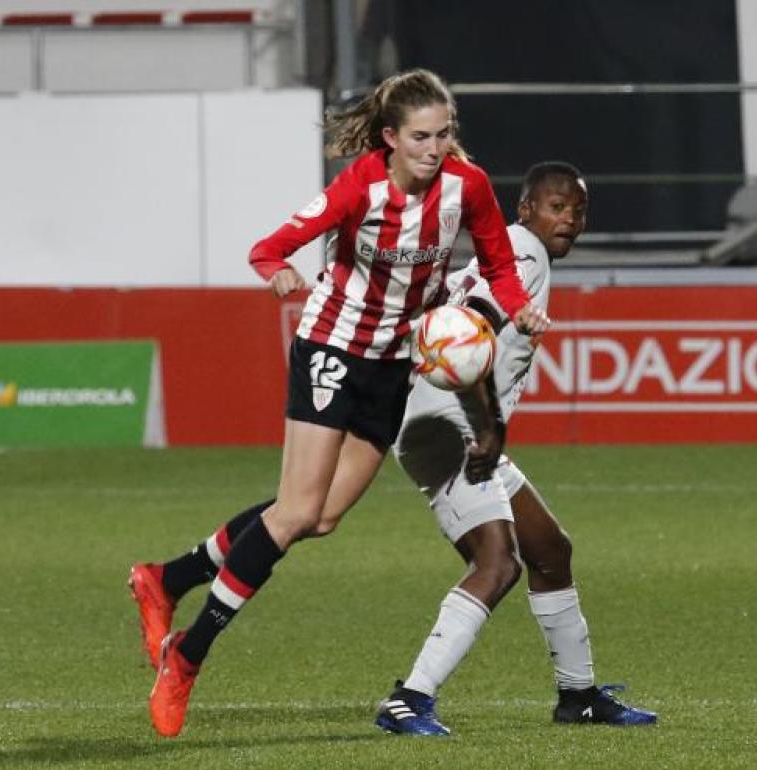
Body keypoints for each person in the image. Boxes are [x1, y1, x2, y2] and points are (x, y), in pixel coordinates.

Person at [129, 67, 549, 738]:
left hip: (391, 366)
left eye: (443, 135)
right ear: (390, 136)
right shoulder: (360, 186)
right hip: (331, 348)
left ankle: (166, 577)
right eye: (420, 136)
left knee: (319, 519)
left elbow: (498, 263)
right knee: (294, 510)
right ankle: (188, 654)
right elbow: (266, 249)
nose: (434, 148)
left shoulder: (466, 188)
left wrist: (521, 310)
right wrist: (281, 273)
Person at [372, 161, 658, 735]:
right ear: (526, 209)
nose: (570, 219)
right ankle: (408, 699)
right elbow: (465, 339)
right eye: (558, 206)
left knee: (550, 549)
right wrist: (489, 426)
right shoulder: (524, 253)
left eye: (579, 210)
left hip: (456, 421)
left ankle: (577, 696)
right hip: (454, 427)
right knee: (497, 563)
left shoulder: (515, 252)